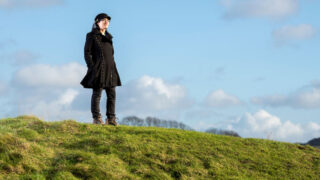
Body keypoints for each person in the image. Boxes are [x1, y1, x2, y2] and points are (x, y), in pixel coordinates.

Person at [80, 13, 122, 125]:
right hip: (98, 69)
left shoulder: (109, 38)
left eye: (108, 20)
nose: (106, 22)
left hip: (111, 69)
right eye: (103, 20)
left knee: (112, 95)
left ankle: (111, 118)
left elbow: (111, 54)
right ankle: (97, 118)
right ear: (97, 22)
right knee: (97, 94)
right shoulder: (91, 36)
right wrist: (92, 67)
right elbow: (87, 52)